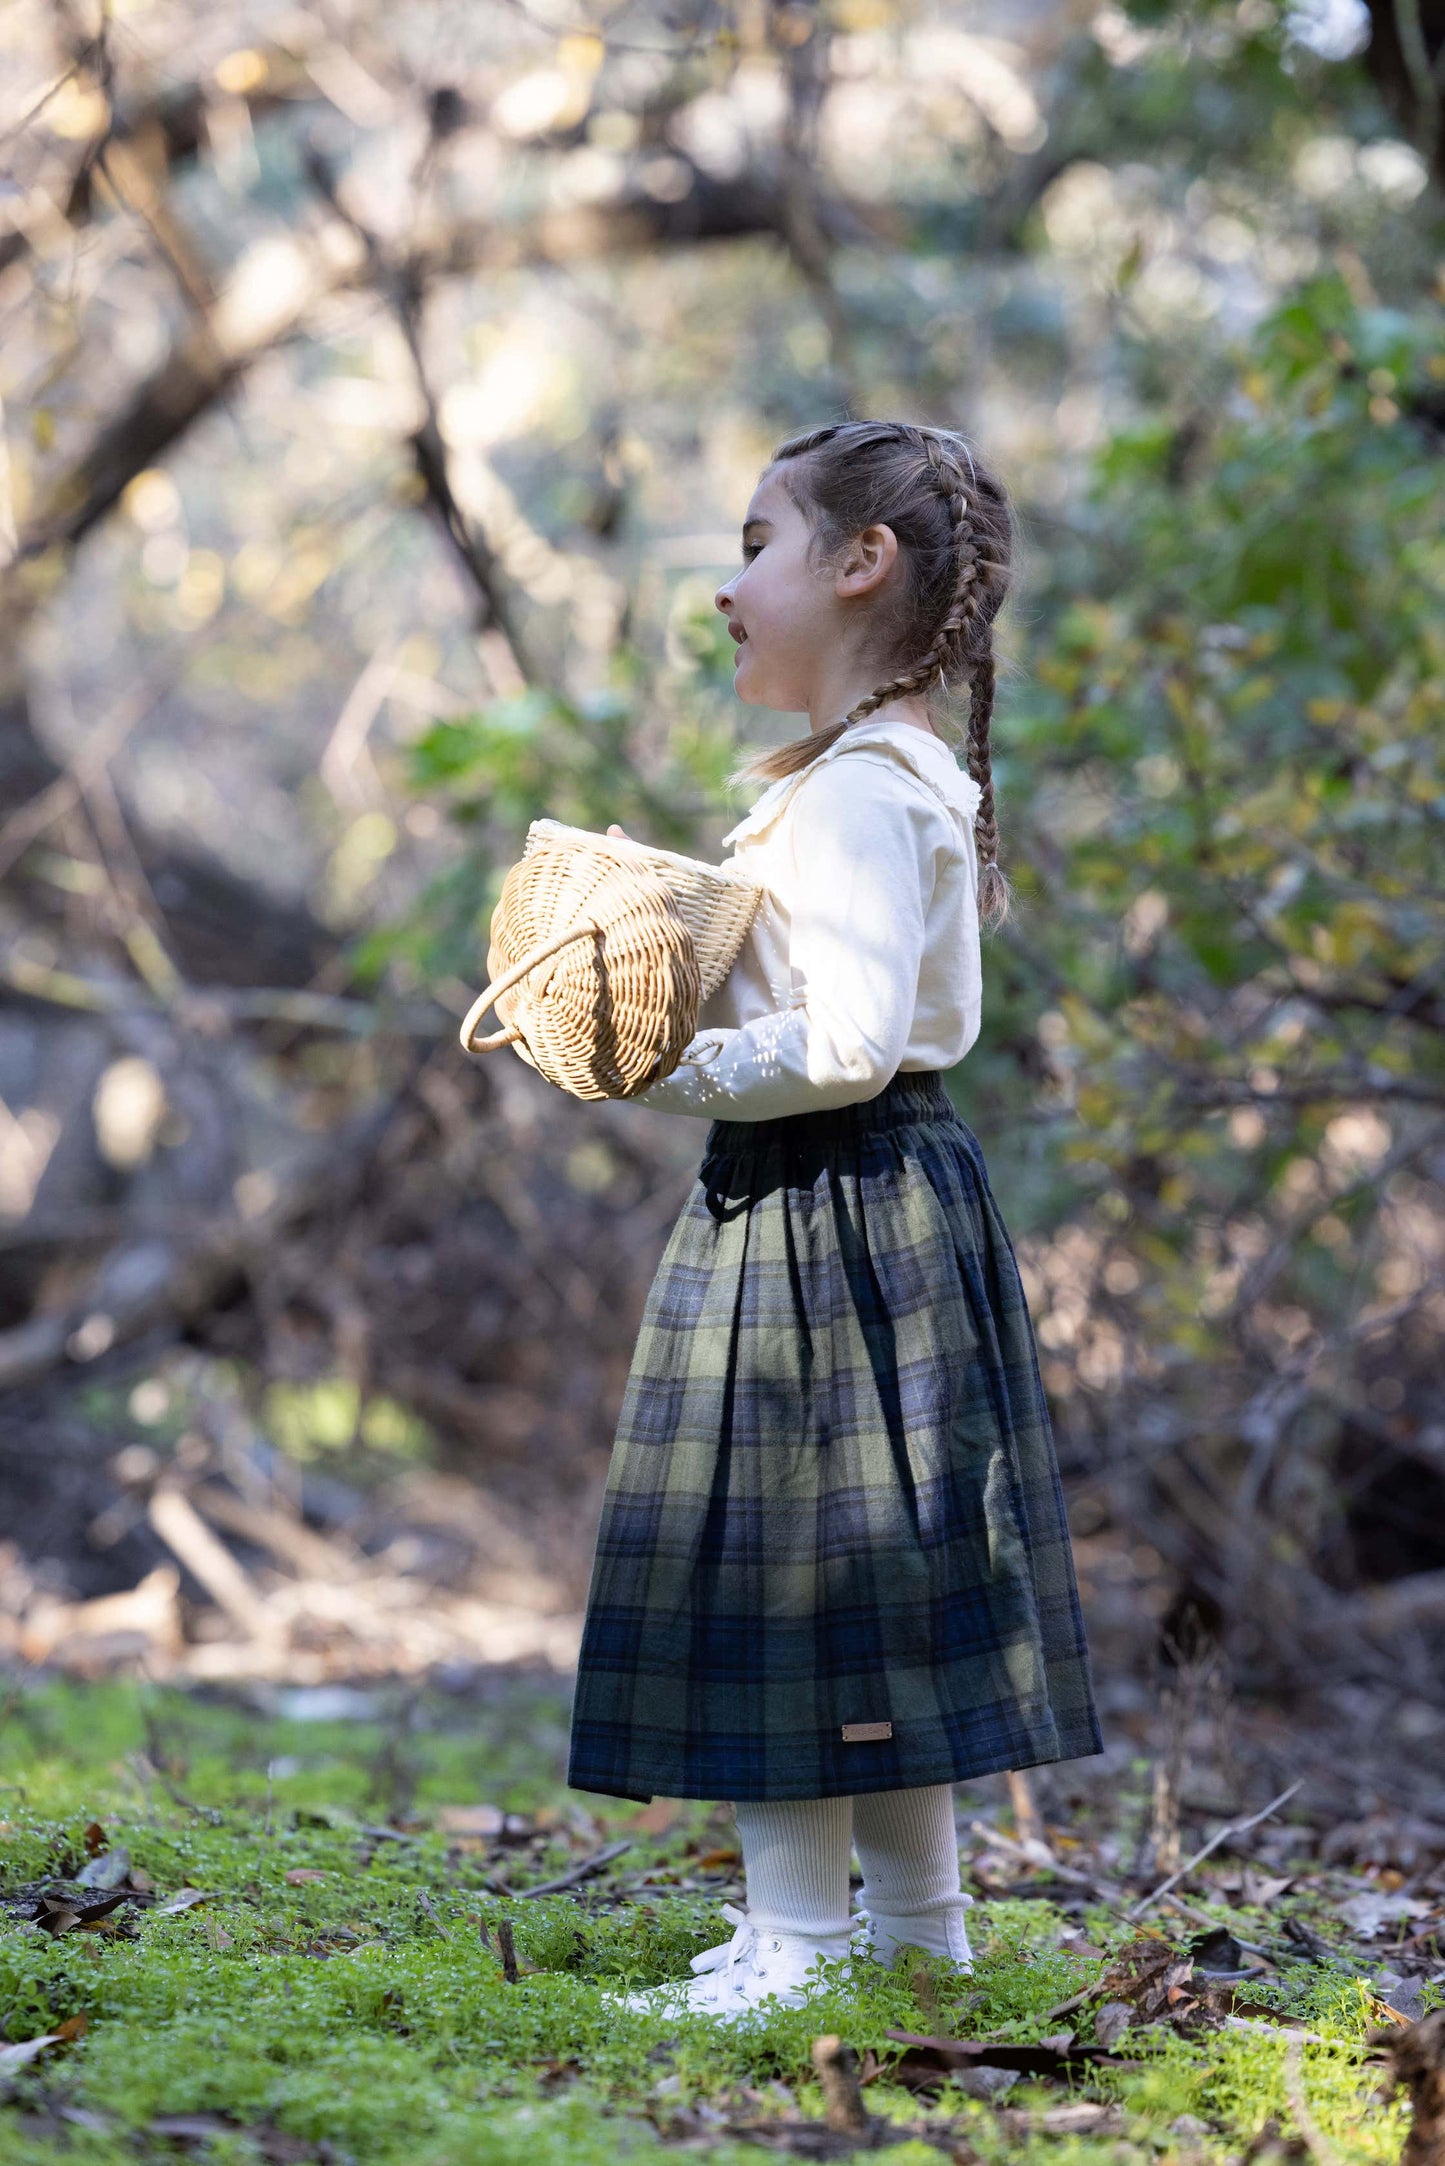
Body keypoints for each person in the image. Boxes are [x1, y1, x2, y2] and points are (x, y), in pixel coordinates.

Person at [565, 419, 1102, 2019]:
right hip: (871, 1198)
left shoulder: (863, 789)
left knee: (785, 1576)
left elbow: (842, 1040)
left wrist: (660, 1060)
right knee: (867, 1586)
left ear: (858, 563)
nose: (726, 588)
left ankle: (802, 1948)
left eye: (754, 544)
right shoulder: (874, 775)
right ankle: (912, 1936)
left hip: (828, 1204)